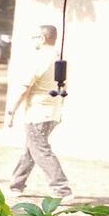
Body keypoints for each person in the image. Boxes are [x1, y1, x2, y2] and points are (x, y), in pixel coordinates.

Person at [7, 24, 71, 199]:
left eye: (35, 37)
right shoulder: (61, 58)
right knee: (31, 149)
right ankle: (16, 185)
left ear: (43, 38)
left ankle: (62, 189)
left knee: (40, 150)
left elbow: (24, 88)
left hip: (38, 114)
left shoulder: (39, 58)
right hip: (54, 112)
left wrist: (11, 111)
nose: (33, 40)